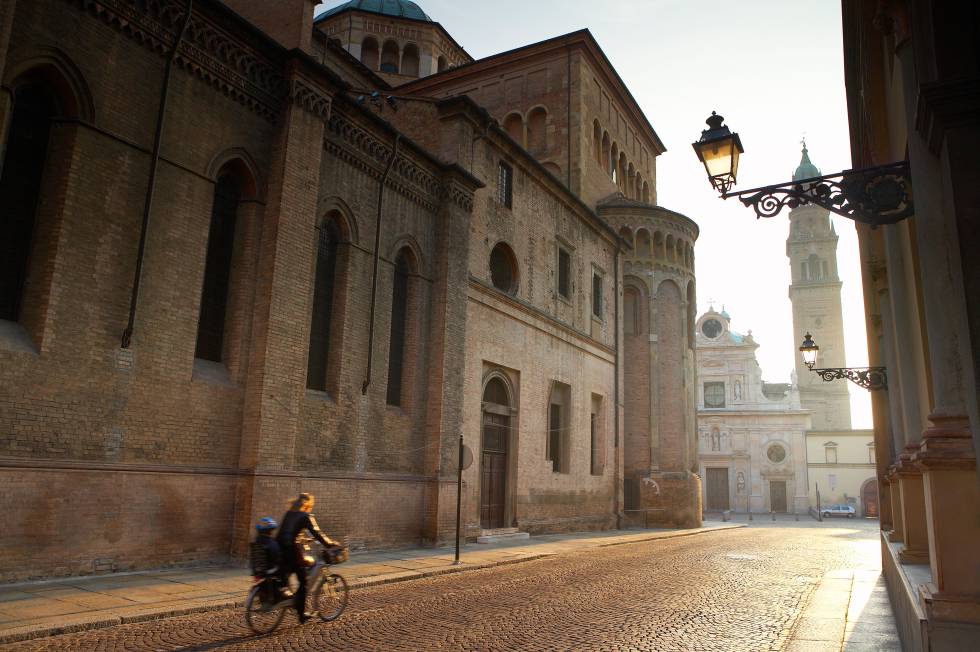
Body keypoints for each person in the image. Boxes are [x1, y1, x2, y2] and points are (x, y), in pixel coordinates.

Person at [277, 493, 340, 623]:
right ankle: (301, 613)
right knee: (303, 580)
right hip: (291, 549)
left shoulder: (289, 513)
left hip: (279, 547)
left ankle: (285, 591)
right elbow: (317, 533)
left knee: (288, 571)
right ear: (308, 505)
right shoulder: (305, 516)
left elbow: (288, 531)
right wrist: (329, 543)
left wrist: (303, 539)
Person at [250, 517, 285, 603]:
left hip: (257, 569)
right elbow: (276, 557)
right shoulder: (272, 543)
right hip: (269, 570)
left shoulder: (256, 542)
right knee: (285, 568)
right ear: (269, 531)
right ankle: (284, 590)